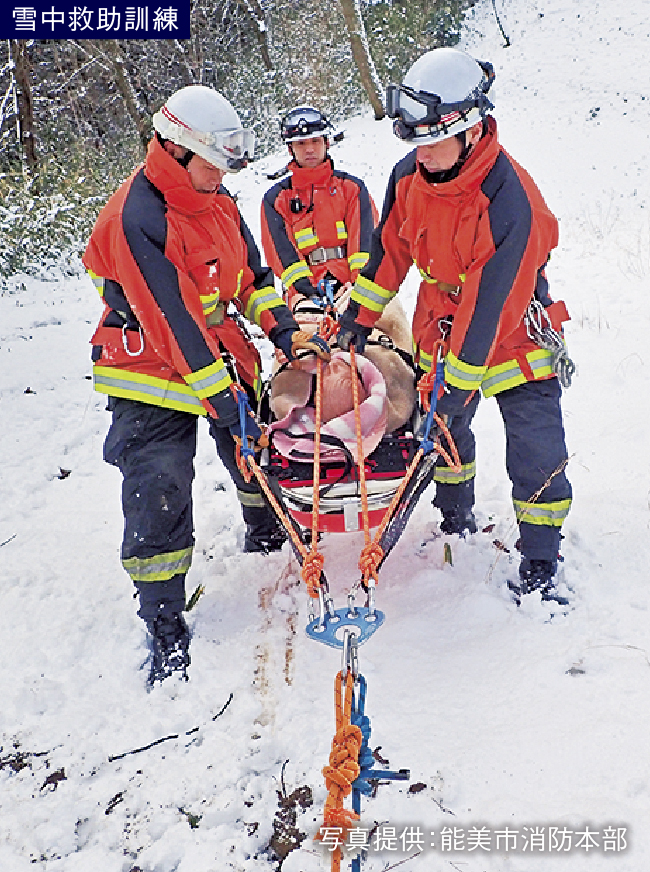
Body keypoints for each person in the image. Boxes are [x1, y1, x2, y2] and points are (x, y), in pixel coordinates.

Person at [83, 85, 330, 685]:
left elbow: (251, 276)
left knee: (252, 449)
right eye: (212, 161)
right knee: (158, 482)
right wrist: (222, 401)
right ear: (177, 149)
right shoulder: (136, 217)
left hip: (213, 346)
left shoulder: (214, 198)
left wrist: (284, 333)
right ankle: (163, 618)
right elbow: (171, 319)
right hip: (147, 365)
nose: (221, 173)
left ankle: (265, 529)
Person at [337, 48, 573, 604]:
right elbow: (389, 251)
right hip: (443, 323)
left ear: (470, 129)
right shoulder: (410, 177)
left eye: (433, 140)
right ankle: (455, 519)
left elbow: (491, 306)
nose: (423, 153)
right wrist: (357, 316)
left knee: (535, 444)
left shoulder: (512, 201)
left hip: (514, 328)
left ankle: (540, 558)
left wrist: (456, 386)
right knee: (445, 435)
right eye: (414, 140)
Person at [261, 106, 378, 310]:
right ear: (290, 149)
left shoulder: (352, 189)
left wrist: (357, 285)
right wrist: (306, 291)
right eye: (301, 143)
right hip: (303, 293)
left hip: (352, 284)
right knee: (305, 338)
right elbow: (280, 253)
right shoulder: (277, 199)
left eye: (315, 141)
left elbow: (364, 241)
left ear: (327, 142)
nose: (309, 149)